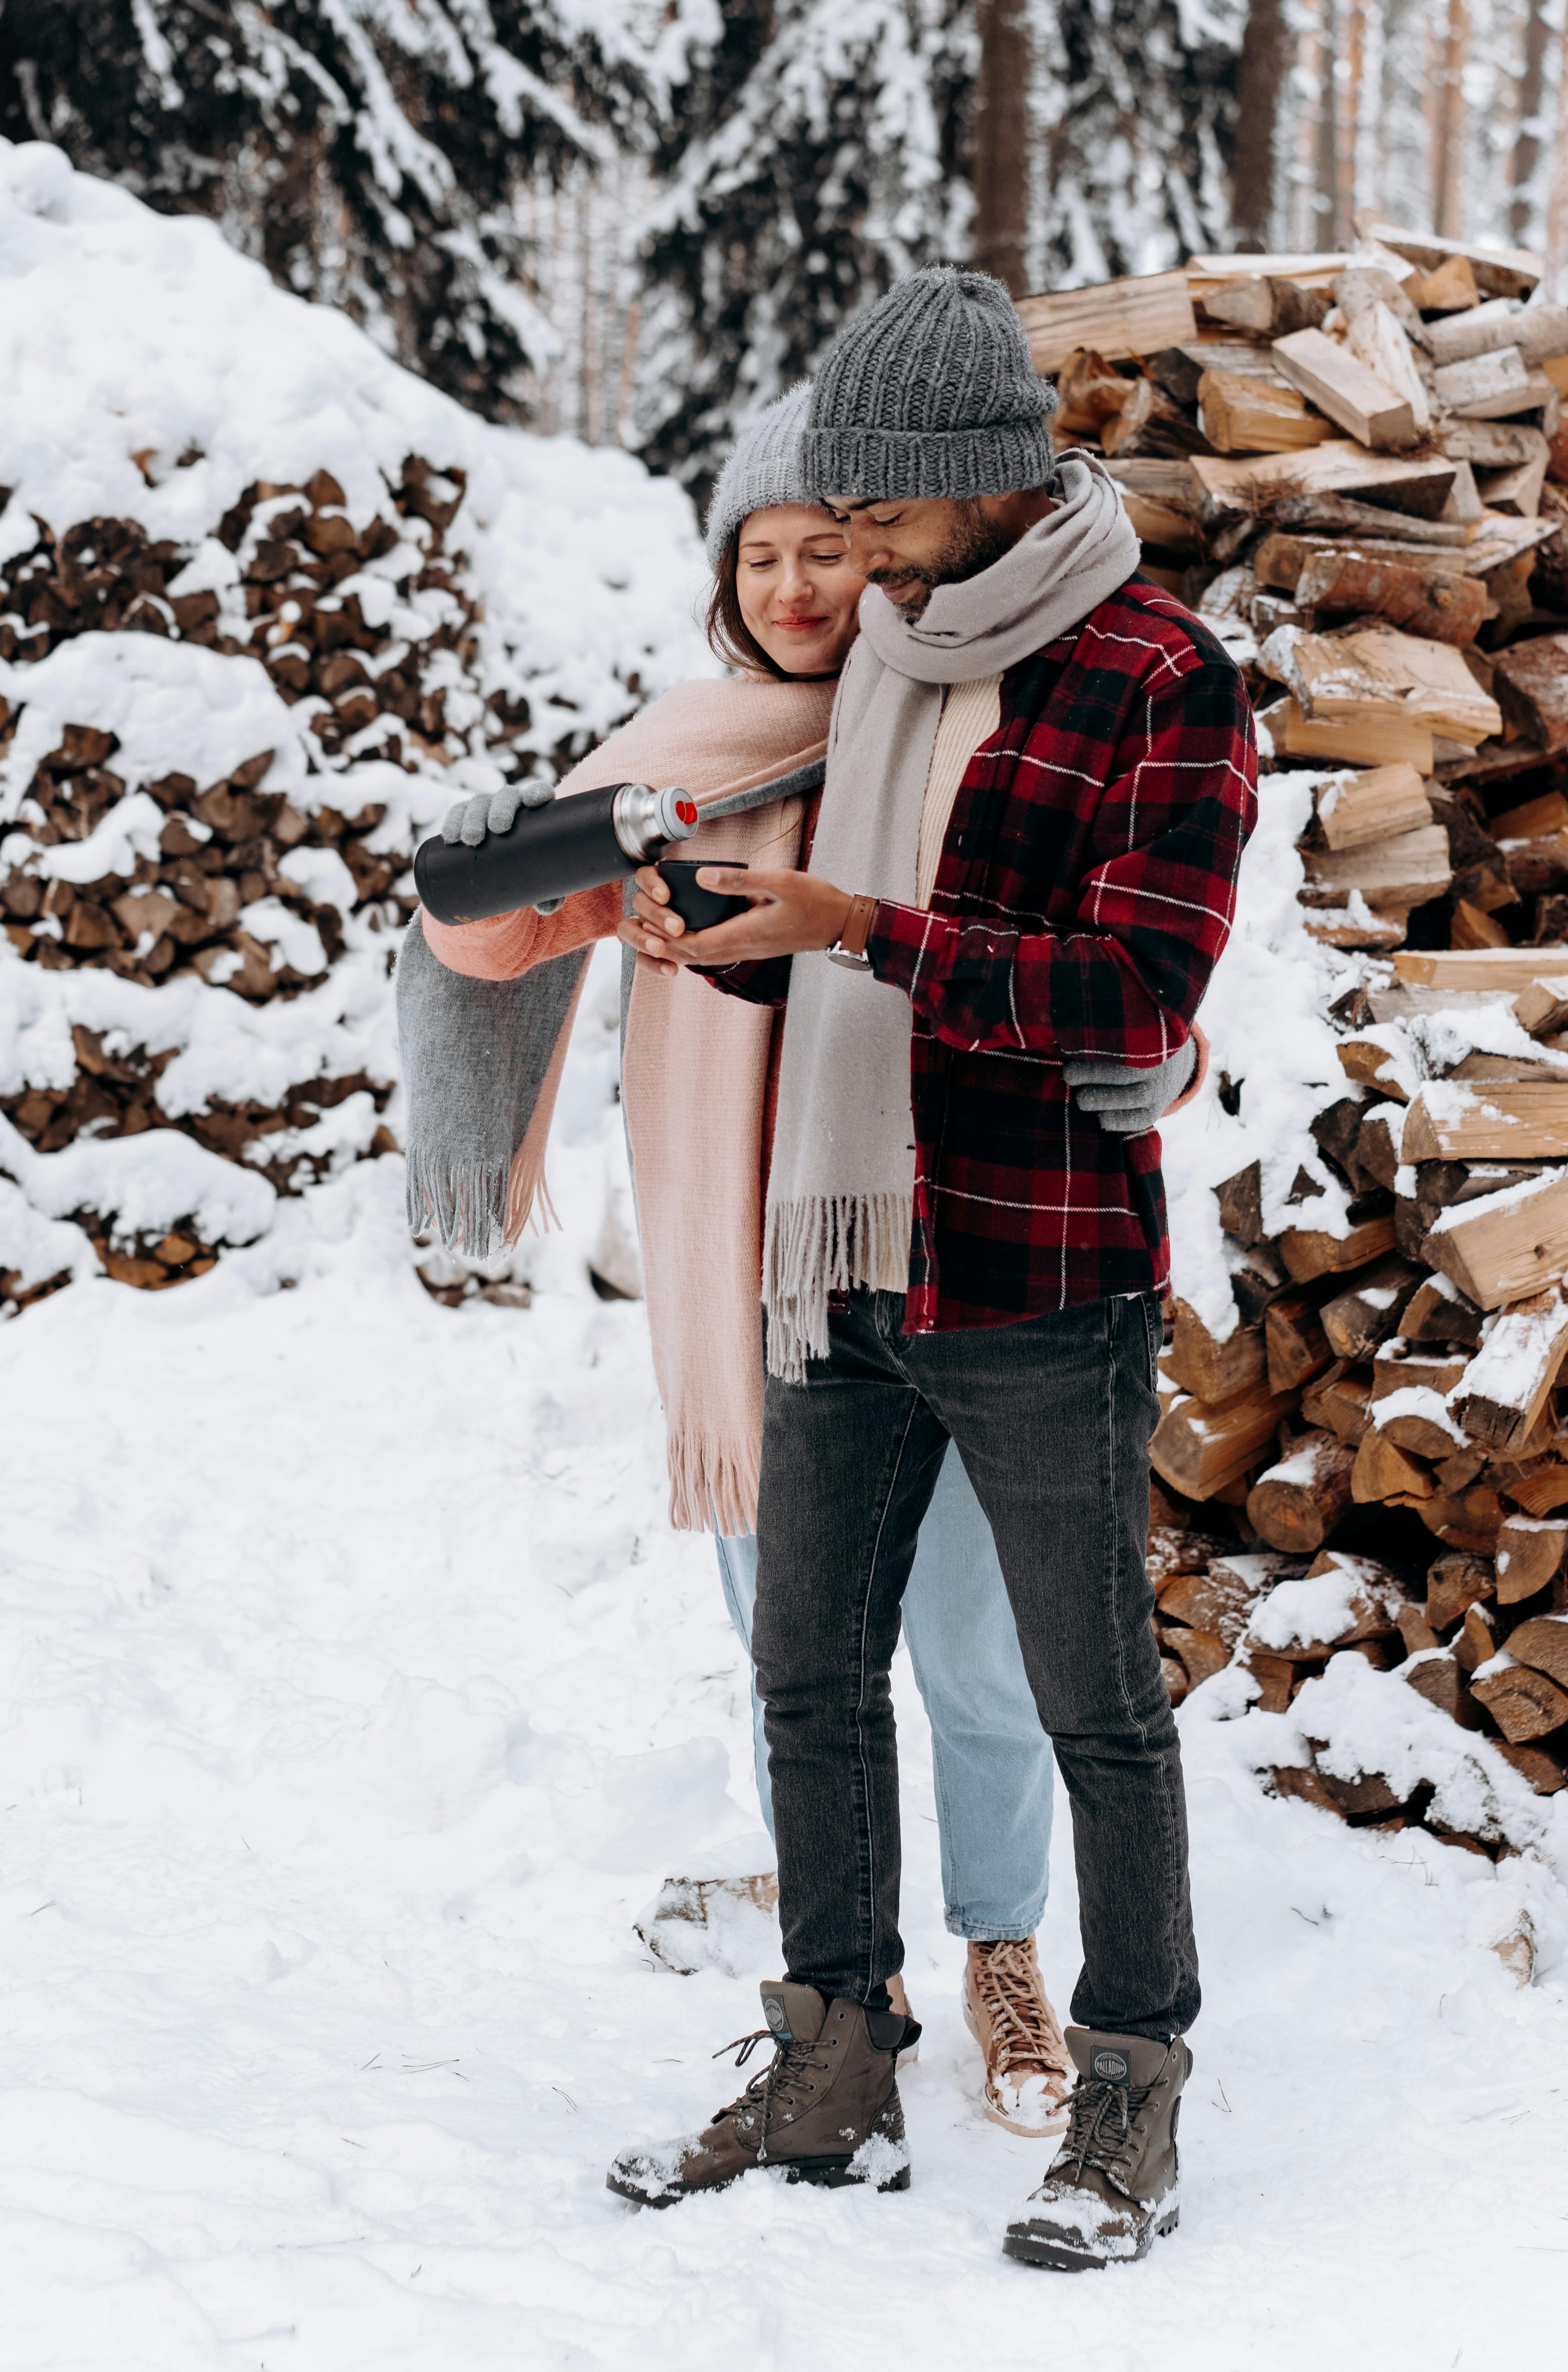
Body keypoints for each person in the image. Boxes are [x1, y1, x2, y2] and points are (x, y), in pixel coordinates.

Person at [399, 385, 1204, 2136]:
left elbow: (1118, 967)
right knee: (801, 1668)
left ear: (894, 551)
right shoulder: (677, 754)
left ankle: (1002, 1940)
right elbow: (492, 943)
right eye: (758, 554)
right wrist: (487, 854)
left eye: (829, 549)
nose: (794, 584)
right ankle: (855, 1993)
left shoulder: (950, 723)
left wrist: (1161, 1057)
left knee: (984, 1659)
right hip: (738, 1285)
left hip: (954, 1244)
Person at [606, 267, 1258, 2270]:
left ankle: (1127, 2097)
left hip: (1034, 1269)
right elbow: (752, 831)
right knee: (804, 1673)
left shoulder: (1161, 678)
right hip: (837, 1261)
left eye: (878, 514)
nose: (854, 553)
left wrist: (857, 928)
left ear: (979, 485)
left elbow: (1139, 987)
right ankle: (830, 2057)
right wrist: (706, 924)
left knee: (1092, 1706)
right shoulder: (885, 645)